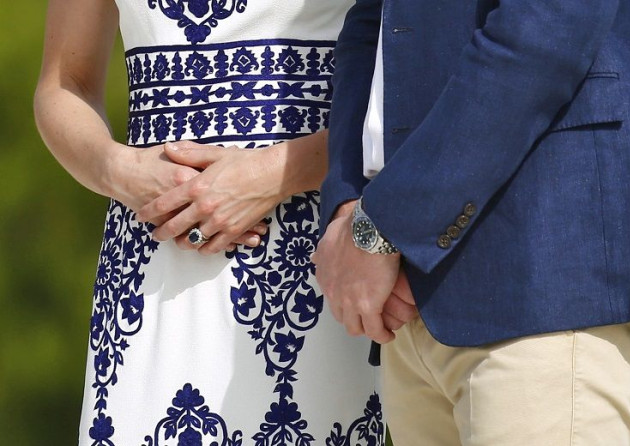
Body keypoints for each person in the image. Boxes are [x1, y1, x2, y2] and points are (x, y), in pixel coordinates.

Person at [313, 0, 630, 444]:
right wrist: (349, 206)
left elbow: (547, 24)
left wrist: (383, 228)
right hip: (408, 303)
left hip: (545, 272)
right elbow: (373, 21)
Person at [34, 1, 401, 444]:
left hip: (324, 260)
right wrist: (118, 169)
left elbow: (418, 82)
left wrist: (273, 173)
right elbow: (63, 85)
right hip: (151, 264)